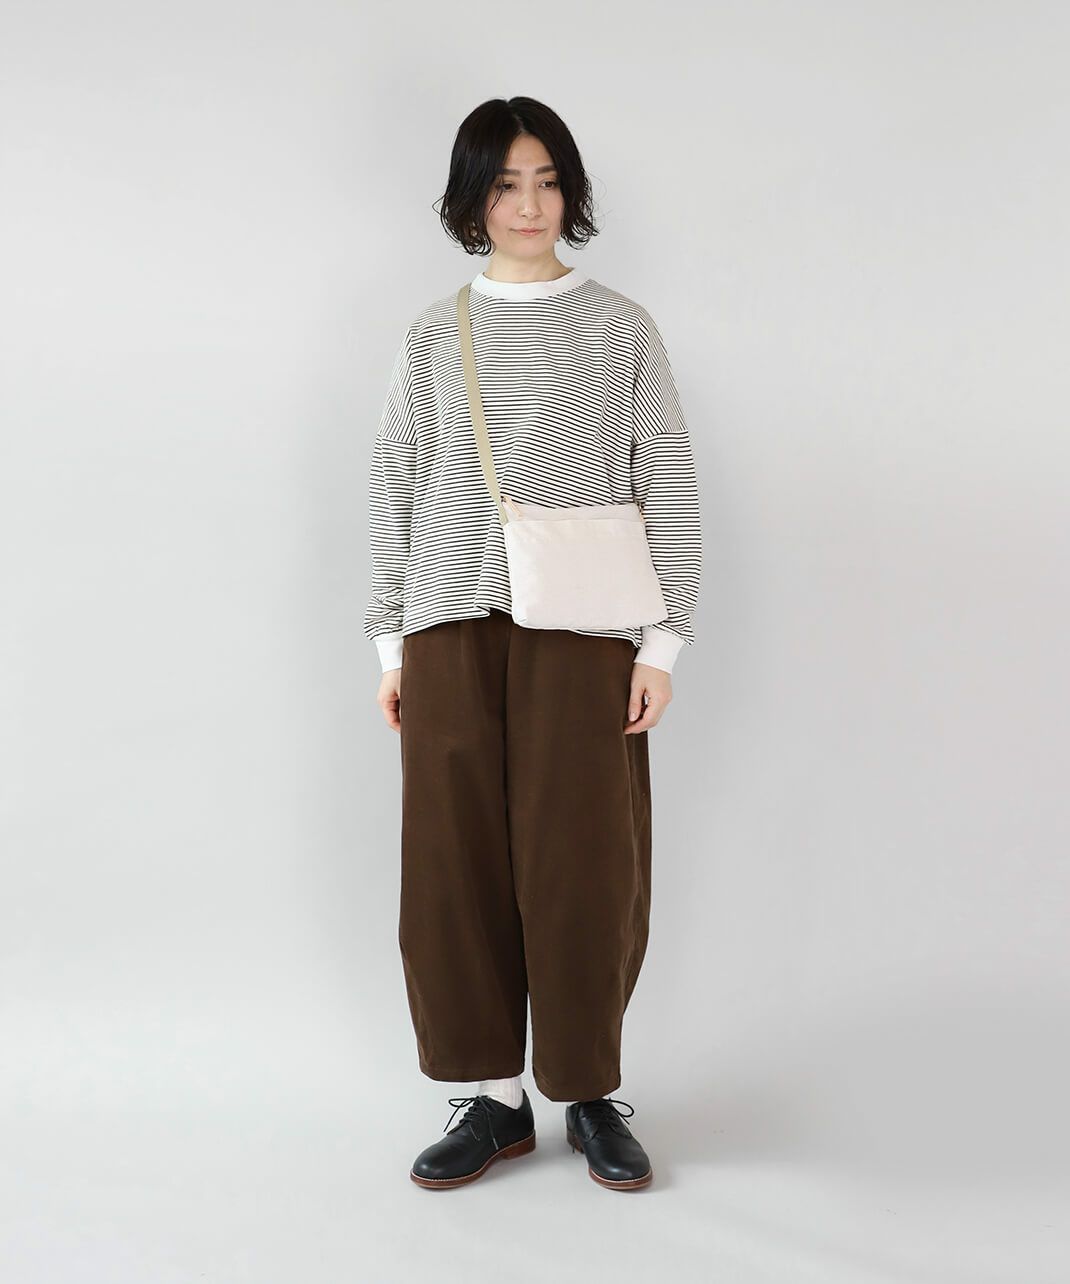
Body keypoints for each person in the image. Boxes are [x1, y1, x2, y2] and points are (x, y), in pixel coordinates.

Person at [363, 95, 702, 1191]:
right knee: (453, 871)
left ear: (572, 192)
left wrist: (661, 646)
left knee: (585, 868)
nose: (528, 203)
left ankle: (587, 1090)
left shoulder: (621, 328)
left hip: (584, 632)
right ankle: (495, 1100)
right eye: (505, 183)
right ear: (471, 198)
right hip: (448, 626)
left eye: (547, 180)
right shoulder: (433, 332)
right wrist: (390, 644)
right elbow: (395, 480)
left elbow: (666, 478)